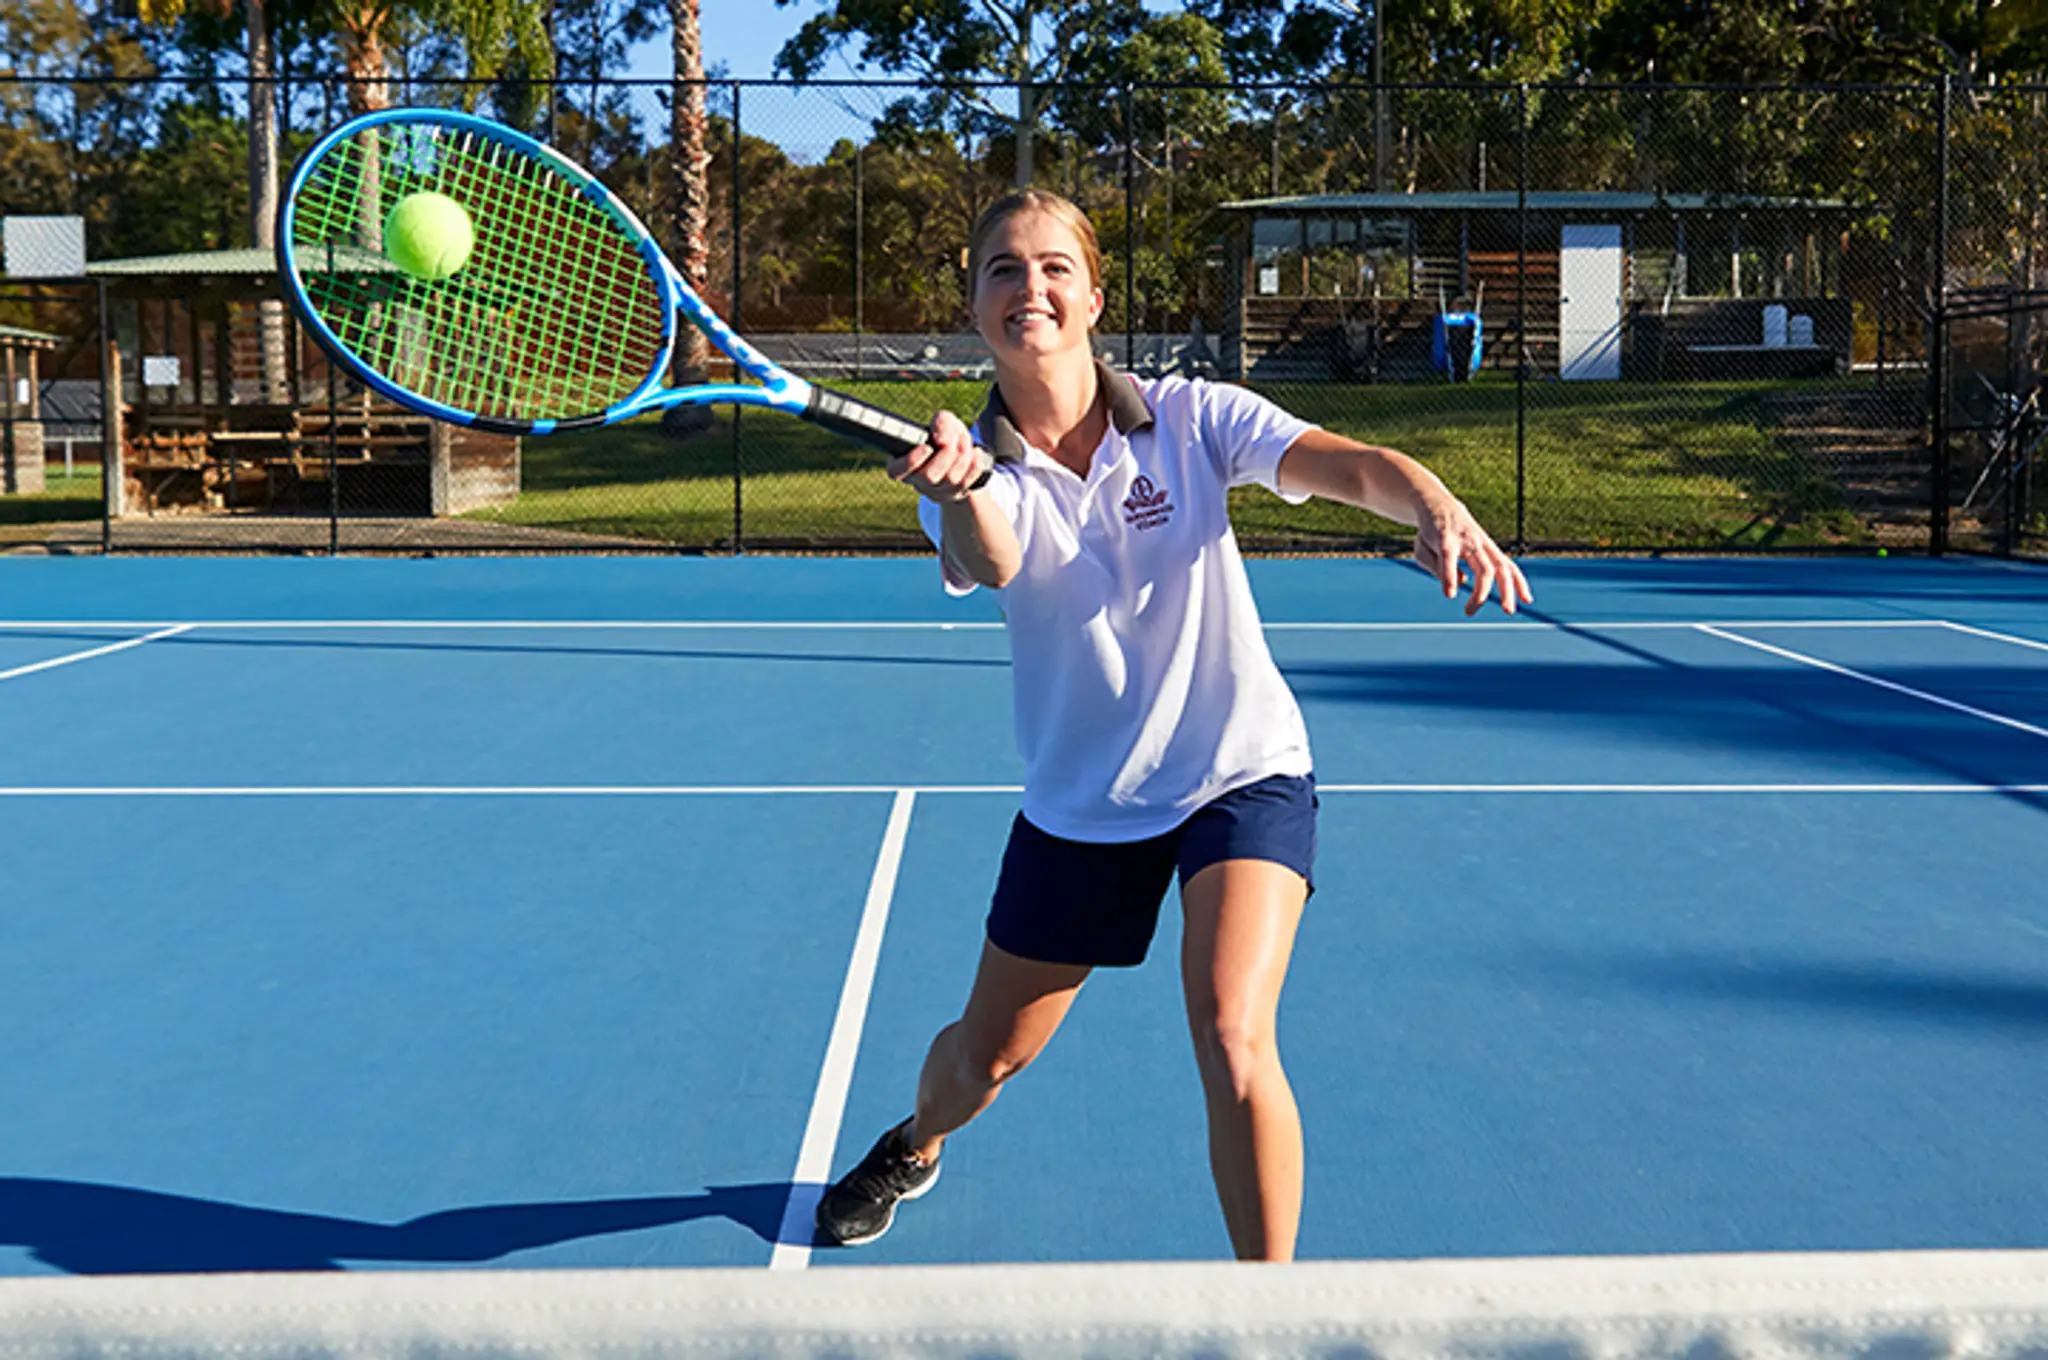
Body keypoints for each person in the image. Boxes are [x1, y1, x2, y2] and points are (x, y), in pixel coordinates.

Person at [814, 190, 1531, 1262]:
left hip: (1238, 770)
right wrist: (959, 490)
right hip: (1082, 803)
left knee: (1233, 1032)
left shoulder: (1192, 418)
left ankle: (1269, 1315)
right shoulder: (966, 469)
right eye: (1004, 269)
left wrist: (1430, 502)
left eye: (1054, 267)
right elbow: (991, 558)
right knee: (984, 1060)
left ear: (1094, 297)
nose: (1030, 287)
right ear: (974, 307)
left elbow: (1343, 463)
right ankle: (915, 1143)